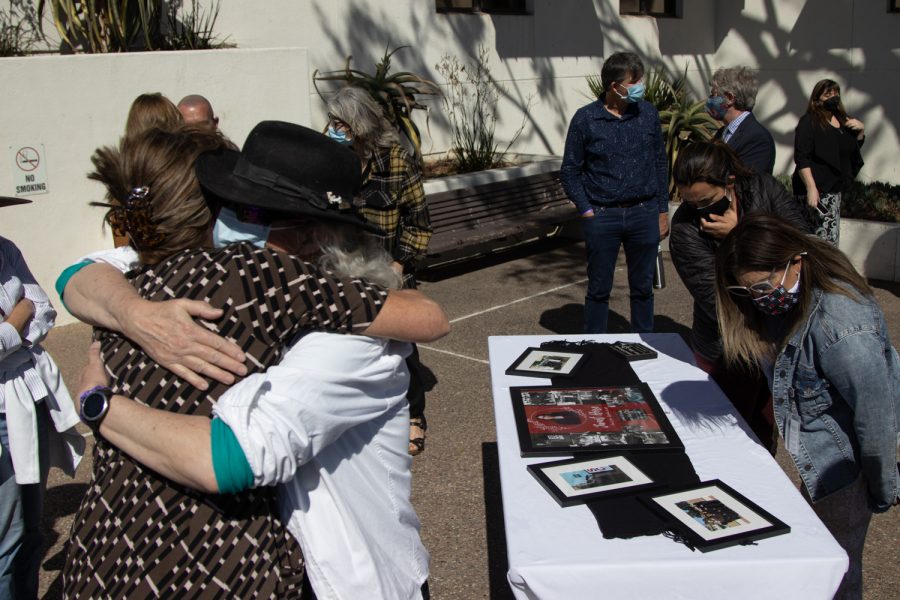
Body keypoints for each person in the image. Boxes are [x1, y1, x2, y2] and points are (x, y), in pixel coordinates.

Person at [61, 123, 445, 598]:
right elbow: (78, 275)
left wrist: (100, 404)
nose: (231, 223)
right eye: (229, 205)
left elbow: (234, 458)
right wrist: (136, 314)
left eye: (250, 211)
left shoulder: (348, 341)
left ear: (310, 237)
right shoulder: (224, 288)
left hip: (352, 580)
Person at [714, 214, 899, 600]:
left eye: (763, 287)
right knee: (820, 556)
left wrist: (883, 489)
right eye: (748, 292)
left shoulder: (843, 327)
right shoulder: (788, 301)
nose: (760, 300)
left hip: (845, 467)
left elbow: (876, 416)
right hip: (821, 454)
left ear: (794, 262)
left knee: (836, 569)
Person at [669, 140, 809, 450]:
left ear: (730, 182)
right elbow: (718, 301)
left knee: (763, 431)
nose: (699, 211)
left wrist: (741, 232)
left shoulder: (762, 188)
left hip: (782, 337)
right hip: (728, 347)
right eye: (690, 203)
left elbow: (803, 241)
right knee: (725, 440)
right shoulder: (685, 230)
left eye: (706, 201)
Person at [325, 85, 435, 455]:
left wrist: (399, 266)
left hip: (387, 268)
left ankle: (415, 414)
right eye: (331, 121)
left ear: (360, 124)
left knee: (403, 346)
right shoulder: (331, 160)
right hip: (342, 268)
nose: (333, 128)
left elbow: (419, 223)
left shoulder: (397, 160)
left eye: (340, 122)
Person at [0, 197, 83, 600]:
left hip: (26, 398)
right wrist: (19, 317)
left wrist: (16, 326)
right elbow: (26, 313)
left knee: (31, 527)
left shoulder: (6, 249)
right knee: (8, 535)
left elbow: (45, 308)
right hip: (3, 408)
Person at [560, 51, 668, 334]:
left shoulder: (648, 115)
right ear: (614, 86)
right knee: (598, 288)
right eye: (634, 82)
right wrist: (586, 210)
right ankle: (596, 344)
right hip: (602, 216)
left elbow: (660, 163)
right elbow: (570, 170)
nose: (640, 87)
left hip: (643, 213)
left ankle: (644, 341)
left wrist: (662, 210)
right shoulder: (586, 120)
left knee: (643, 287)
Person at [792, 79, 866, 246]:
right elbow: (802, 157)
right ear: (817, 99)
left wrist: (860, 131)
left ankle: (826, 272)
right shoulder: (809, 122)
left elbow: (849, 152)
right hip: (814, 194)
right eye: (828, 94)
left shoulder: (842, 121)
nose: (834, 97)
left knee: (829, 243)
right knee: (813, 242)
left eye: (836, 93)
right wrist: (811, 187)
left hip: (833, 193)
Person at [706, 67, 776, 174]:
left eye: (713, 95)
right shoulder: (721, 133)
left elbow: (749, 182)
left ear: (730, 98)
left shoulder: (757, 138)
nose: (709, 99)